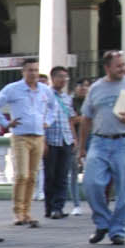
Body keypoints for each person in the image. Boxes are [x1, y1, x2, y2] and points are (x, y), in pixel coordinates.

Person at [76, 49, 125, 246]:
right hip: (100, 140)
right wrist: (81, 147)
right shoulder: (95, 88)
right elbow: (86, 118)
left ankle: (118, 230)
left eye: (123, 65)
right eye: (118, 66)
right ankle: (102, 222)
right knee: (91, 184)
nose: (122, 68)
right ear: (107, 67)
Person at [0, 58, 55, 228]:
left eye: (36, 70)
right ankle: (18, 212)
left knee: (32, 176)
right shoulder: (13, 89)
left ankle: (27, 212)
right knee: (21, 175)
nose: (33, 73)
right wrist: (5, 123)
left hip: (38, 135)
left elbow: (54, 107)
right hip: (21, 136)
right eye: (30, 70)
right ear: (23, 72)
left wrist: (48, 121)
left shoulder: (44, 90)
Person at [43, 66, 78, 219]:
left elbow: (70, 120)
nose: (63, 80)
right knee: (50, 175)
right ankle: (49, 207)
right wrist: (43, 141)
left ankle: (59, 207)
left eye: (66, 77)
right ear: (53, 78)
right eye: (60, 77)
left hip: (66, 140)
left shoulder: (67, 98)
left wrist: (75, 138)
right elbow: (42, 119)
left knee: (63, 175)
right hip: (51, 140)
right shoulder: (45, 95)